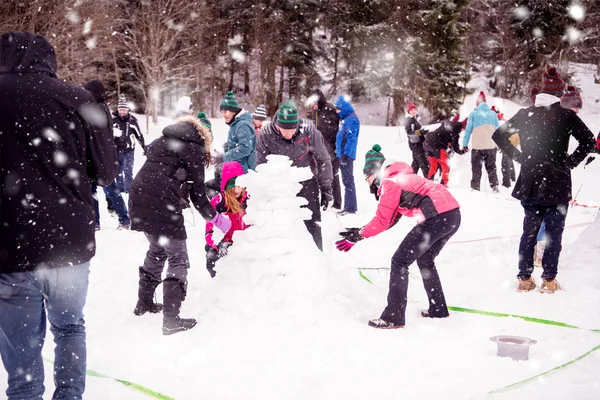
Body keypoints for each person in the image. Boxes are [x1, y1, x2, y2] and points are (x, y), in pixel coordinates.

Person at [0, 32, 117, 399]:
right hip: (68, 243)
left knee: (23, 351)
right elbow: (106, 172)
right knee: (69, 329)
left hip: (12, 243)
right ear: (49, 61)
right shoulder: (77, 99)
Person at [492, 66, 595, 293]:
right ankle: (549, 280)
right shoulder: (566, 115)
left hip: (530, 182)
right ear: (559, 95)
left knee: (529, 232)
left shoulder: (525, 114)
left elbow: (498, 135)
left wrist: (520, 157)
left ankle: (524, 278)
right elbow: (589, 141)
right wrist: (570, 162)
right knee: (553, 234)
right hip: (557, 182)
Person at [335, 147, 461, 329]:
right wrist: (360, 231)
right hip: (452, 216)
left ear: (374, 172)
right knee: (425, 259)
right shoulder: (401, 177)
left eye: (367, 177)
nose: (367, 181)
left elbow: (383, 219)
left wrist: (358, 235)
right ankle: (438, 309)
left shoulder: (390, 182)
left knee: (399, 261)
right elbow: (391, 219)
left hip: (436, 217)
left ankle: (393, 317)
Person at [129, 115, 232, 335]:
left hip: (138, 195)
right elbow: (198, 195)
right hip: (162, 202)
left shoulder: (162, 139)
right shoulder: (193, 148)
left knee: (158, 248)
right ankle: (171, 320)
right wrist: (217, 220)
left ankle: (144, 303)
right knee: (178, 257)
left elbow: (161, 169)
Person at [256, 100, 333, 251]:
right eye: (284, 129)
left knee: (312, 223)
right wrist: (262, 191)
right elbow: (260, 165)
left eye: (292, 129)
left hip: (306, 183)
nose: (288, 134)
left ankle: (317, 258)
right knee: (281, 226)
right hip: (279, 185)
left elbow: (323, 159)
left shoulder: (309, 130)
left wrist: (326, 188)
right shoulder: (266, 134)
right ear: (277, 124)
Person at [83, 81, 131, 230]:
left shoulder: (97, 109)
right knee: (102, 191)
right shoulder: (102, 108)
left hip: (98, 158)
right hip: (100, 157)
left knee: (106, 190)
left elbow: (95, 135)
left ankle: (121, 220)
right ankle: (99, 221)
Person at [205, 161, 250, 278]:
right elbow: (210, 225)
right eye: (232, 186)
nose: (236, 190)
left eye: (239, 186)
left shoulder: (250, 199)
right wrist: (215, 243)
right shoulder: (219, 201)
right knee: (213, 264)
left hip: (245, 242)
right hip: (224, 243)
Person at [307, 89, 342, 209]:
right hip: (320, 147)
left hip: (331, 148)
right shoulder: (316, 111)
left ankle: (337, 202)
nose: (312, 106)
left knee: (332, 174)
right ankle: (324, 199)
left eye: (313, 102)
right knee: (320, 173)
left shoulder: (330, 110)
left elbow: (333, 131)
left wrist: (332, 148)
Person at [463, 91, 500, 192]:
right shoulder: (493, 114)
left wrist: (465, 145)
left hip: (478, 147)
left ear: (477, 103)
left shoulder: (473, 114)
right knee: (491, 167)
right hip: (491, 147)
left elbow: (468, 131)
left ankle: (475, 187)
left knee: (476, 167)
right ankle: (494, 186)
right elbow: (498, 131)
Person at [112, 95, 146, 193]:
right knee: (118, 171)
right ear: (118, 110)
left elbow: (139, 135)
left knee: (128, 171)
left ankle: (128, 189)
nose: (122, 112)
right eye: (120, 110)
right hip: (117, 150)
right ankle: (120, 189)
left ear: (127, 110)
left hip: (129, 150)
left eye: (124, 110)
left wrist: (144, 147)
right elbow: (107, 135)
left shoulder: (132, 121)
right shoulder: (113, 120)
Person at [219, 91, 256, 172]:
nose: (223, 115)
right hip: (238, 169)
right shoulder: (235, 124)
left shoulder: (242, 125)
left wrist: (224, 157)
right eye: (222, 112)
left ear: (234, 111)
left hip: (244, 172)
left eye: (226, 112)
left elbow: (245, 149)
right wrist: (229, 146)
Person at [335, 95, 359, 215]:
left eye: (338, 109)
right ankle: (349, 206)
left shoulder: (351, 119)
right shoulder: (346, 119)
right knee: (346, 180)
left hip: (346, 156)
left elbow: (351, 139)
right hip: (342, 154)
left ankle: (350, 208)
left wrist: (345, 154)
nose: (337, 112)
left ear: (343, 108)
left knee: (348, 181)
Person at [423, 120, 467, 186]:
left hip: (427, 144)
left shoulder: (448, 123)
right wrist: (463, 151)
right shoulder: (455, 132)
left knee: (433, 165)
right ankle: (444, 184)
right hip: (437, 147)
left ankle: (428, 181)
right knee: (446, 166)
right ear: (463, 127)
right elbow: (456, 148)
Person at [491, 106, 517, 188]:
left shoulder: (499, 122)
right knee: (509, 159)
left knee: (505, 163)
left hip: (508, 142)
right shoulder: (503, 120)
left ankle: (506, 183)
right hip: (512, 141)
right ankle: (513, 178)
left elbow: (499, 136)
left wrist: (501, 146)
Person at [404, 102, 429, 178]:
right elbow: (409, 132)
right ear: (409, 112)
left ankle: (410, 179)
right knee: (423, 162)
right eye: (412, 110)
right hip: (415, 144)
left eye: (415, 110)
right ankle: (428, 179)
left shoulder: (415, 119)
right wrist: (420, 132)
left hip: (418, 143)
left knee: (416, 163)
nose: (414, 111)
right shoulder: (409, 120)